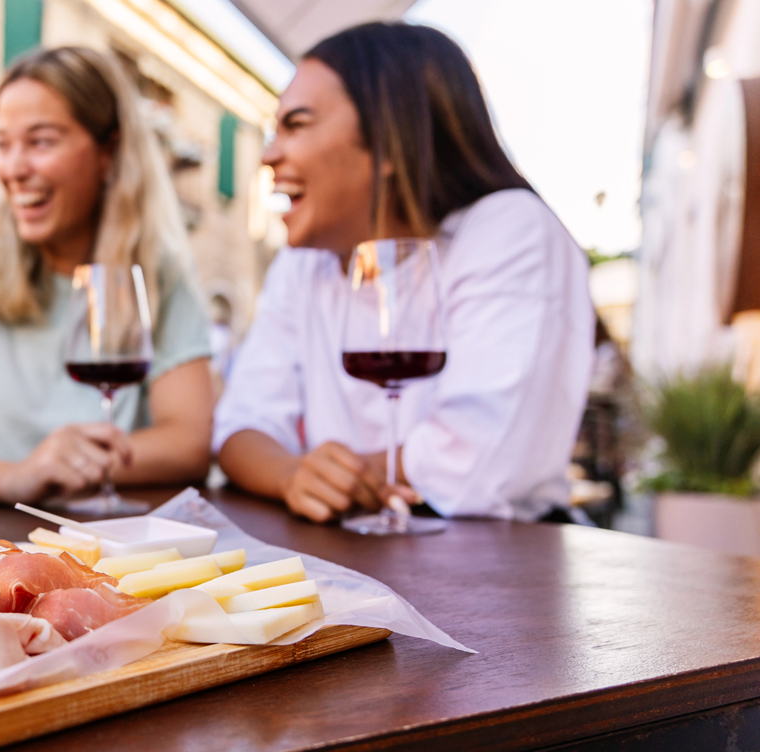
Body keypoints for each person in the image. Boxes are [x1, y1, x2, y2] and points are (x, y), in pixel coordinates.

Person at [215, 22, 594, 523]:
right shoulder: (302, 262)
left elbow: (477, 462)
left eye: (297, 124)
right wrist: (292, 475)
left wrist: (333, 478)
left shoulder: (511, 230)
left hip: (498, 571)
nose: (268, 155)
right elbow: (240, 428)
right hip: (354, 554)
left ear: (390, 142)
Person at [0, 46, 214, 504]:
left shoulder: (156, 274)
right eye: (3, 144)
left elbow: (189, 443)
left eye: (41, 142)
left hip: (106, 546)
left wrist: (69, 464)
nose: (13, 169)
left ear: (109, 152)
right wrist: (14, 476)